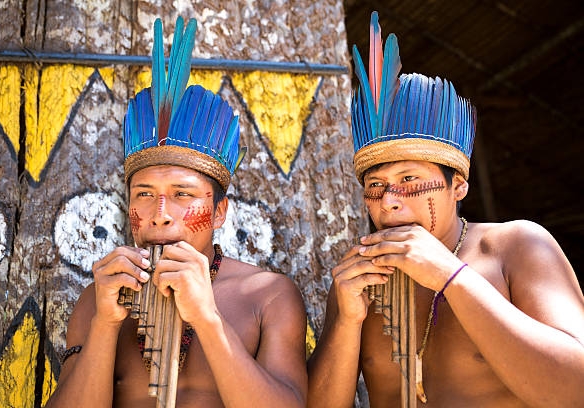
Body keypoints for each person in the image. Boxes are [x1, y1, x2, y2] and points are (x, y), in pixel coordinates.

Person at [307, 11, 584, 408]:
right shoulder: (360, 281)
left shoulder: (516, 246)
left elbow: (575, 390)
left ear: (459, 186)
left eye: (408, 180)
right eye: (375, 186)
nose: (389, 200)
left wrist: (451, 276)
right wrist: (347, 321)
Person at [46, 16, 306, 408]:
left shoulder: (268, 296)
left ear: (220, 212)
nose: (160, 213)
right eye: (145, 194)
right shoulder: (99, 297)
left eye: (183, 194)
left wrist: (207, 318)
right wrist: (105, 324)